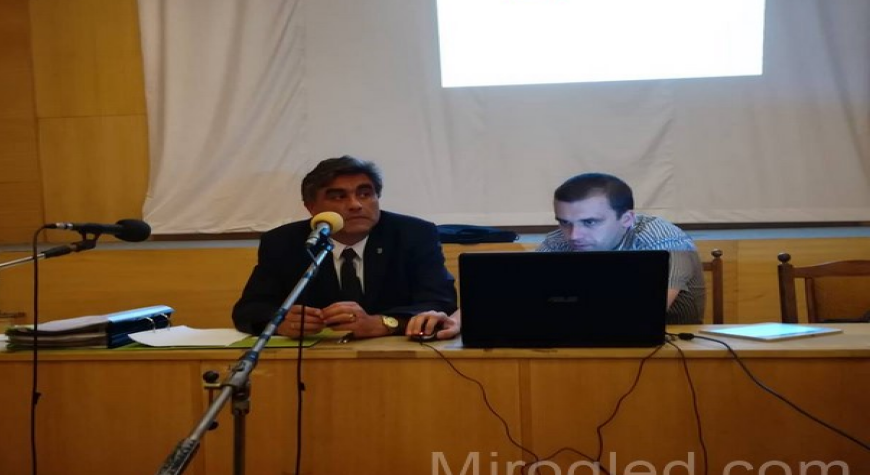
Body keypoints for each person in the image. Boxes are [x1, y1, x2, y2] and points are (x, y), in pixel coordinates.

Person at [407, 172, 705, 339]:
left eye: (590, 222)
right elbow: (511, 291)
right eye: (564, 222)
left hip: (670, 351)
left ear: (626, 219)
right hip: (585, 345)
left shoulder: (664, 238)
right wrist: (456, 321)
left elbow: (642, 312)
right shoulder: (559, 241)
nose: (574, 235)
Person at [232, 155, 457, 339]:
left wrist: (383, 323)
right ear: (311, 207)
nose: (355, 205)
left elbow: (441, 301)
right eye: (339, 197)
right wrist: (281, 323)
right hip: (319, 358)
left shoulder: (414, 234)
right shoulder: (284, 242)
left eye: (365, 194)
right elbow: (249, 310)